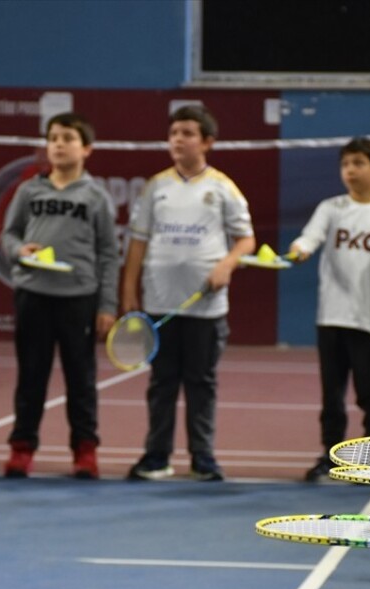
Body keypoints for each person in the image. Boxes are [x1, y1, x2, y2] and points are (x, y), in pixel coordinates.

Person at [121, 104, 255, 481]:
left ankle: (203, 457)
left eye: (187, 133)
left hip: (206, 307)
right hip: (160, 301)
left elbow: (246, 240)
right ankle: (156, 456)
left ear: (207, 142)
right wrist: (129, 290)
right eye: (174, 133)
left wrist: (226, 265)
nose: (178, 139)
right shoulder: (156, 187)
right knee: (162, 384)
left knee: (201, 383)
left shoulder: (223, 187)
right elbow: (138, 241)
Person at [287, 137, 370, 482]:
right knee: (332, 395)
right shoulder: (331, 209)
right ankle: (330, 455)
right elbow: (309, 238)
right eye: (346, 165)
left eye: (358, 163)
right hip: (331, 318)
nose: (350, 171)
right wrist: (299, 249)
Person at [0, 112, 120, 479]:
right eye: (53, 138)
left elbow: (108, 254)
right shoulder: (29, 190)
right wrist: (21, 251)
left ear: (86, 149)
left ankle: (85, 451)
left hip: (78, 299)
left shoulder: (97, 197)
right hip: (34, 295)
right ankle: (22, 449)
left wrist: (107, 305)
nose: (58, 144)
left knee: (80, 379)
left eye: (67, 138)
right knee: (31, 377)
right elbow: (9, 236)